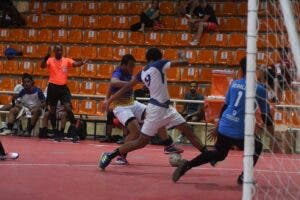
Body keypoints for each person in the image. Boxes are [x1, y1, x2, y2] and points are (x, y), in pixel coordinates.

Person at [99, 48, 207, 170]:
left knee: (187, 129)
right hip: (147, 108)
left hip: (160, 107)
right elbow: (184, 62)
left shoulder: (142, 72)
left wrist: (109, 100)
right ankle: (113, 155)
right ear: (158, 57)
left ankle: (204, 154)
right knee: (139, 137)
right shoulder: (159, 64)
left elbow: (127, 87)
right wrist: (182, 55)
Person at [172, 57, 274, 185]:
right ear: (255, 71)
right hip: (239, 131)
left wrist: (217, 127)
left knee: (219, 154)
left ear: (240, 71)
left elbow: (225, 107)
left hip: (224, 126)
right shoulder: (260, 89)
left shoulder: (234, 84)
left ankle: (187, 165)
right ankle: (244, 177)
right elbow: (266, 117)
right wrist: (274, 137)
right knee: (257, 146)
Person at [104, 54, 183, 165]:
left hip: (132, 103)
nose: (132, 69)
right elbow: (113, 82)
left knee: (157, 115)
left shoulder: (130, 74)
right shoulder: (118, 72)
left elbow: (110, 87)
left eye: (134, 66)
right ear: (123, 65)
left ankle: (167, 145)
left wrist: (107, 99)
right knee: (135, 132)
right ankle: (121, 156)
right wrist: (130, 84)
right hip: (120, 106)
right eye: (131, 66)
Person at [40, 44, 86, 142]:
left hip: (63, 88)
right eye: (57, 50)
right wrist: (46, 56)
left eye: (60, 50)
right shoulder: (50, 60)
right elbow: (42, 66)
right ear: (54, 52)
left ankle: (74, 129)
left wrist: (82, 63)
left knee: (68, 108)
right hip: (52, 87)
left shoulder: (66, 60)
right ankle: (56, 132)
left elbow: (75, 64)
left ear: (62, 51)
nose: (59, 52)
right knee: (52, 111)